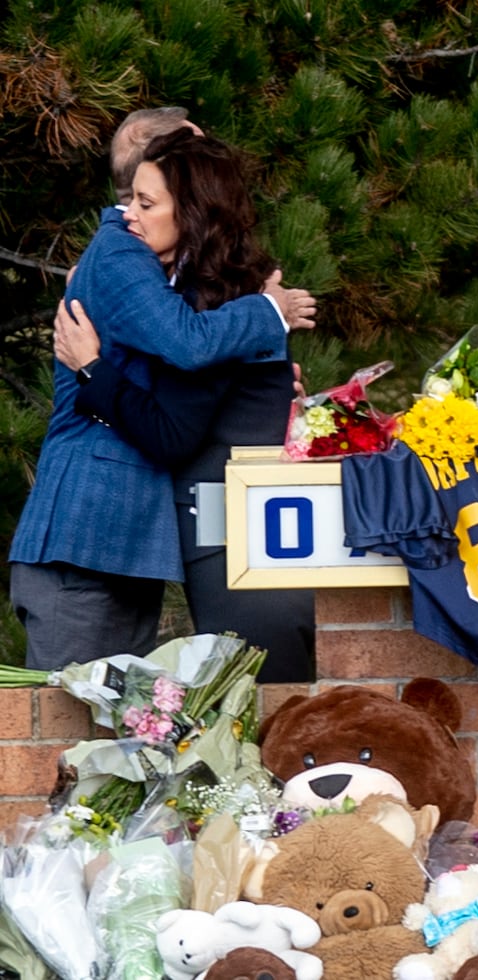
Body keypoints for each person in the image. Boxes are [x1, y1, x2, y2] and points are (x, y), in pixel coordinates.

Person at [9, 110, 316, 672]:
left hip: (124, 547)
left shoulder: (169, 270)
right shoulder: (120, 251)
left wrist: (259, 381)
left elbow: (184, 383)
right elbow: (187, 344)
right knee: (60, 735)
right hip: (85, 538)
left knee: (120, 741)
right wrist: (268, 311)